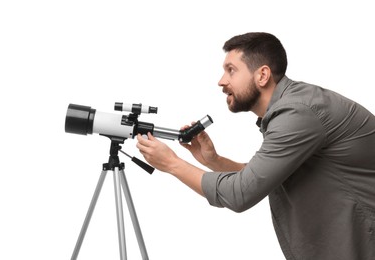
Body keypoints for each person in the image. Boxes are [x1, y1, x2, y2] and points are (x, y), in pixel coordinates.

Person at [136, 32, 375, 260]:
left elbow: (240, 194)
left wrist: (171, 164)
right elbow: (262, 176)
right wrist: (213, 160)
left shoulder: (298, 113)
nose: (221, 81)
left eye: (231, 70)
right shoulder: (292, 107)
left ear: (262, 75)